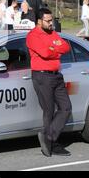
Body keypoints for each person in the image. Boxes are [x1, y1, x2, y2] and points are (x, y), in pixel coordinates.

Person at [26, 8, 72, 157]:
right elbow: (45, 53)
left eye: (52, 20)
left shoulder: (52, 33)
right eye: (48, 20)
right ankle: (52, 144)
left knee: (66, 108)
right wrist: (54, 50)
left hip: (56, 76)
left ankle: (49, 138)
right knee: (49, 110)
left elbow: (66, 47)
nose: (51, 23)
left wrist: (53, 48)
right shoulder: (33, 36)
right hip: (42, 76)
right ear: (39, 21)